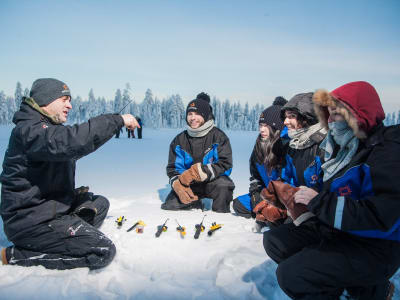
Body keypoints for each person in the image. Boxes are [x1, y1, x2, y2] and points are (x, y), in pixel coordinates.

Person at [263, 81, 399, 300]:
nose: (331, 120)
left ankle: (373, 289)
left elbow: (382, 216)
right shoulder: (342, 147)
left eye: (338, 113)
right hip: (340, 231)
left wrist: (320, 203)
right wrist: (297, 203)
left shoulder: (386, 153)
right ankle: (340, 288)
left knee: (292, 276)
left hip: (374, 247)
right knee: (276, 241)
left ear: (358, 113)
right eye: (329, 114)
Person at [0, 78, 139, 270]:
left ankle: (68, 234)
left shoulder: (46, 129)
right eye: (64, 99)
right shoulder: (29, 131)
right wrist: (117, 120)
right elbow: (72, 142)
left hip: (47, 208)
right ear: (46, 100)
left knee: (99, 204)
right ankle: (16, 255)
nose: (70, 105)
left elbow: (71, 146)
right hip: (30, 222)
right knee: (102, 251)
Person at [253, 92, 327, 226]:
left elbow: (328, 191)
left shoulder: (325, 147)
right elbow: (288, 180)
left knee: (277, 235)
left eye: (291, 116)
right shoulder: (294, 146)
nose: (285, 122)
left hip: (321, 214)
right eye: (285, 117)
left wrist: (287, 209)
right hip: (298, 208)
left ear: (307, 117)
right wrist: (277, 201)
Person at [162, 92, 234, 212]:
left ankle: (221, 217)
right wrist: (177, 184)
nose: (193, 118)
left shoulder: (218, 137)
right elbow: (173, 168)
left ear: (205, 116)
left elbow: (225, 165)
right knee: (171, 205)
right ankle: (194, 203)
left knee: (224, 186)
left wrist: (200, 172)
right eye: (190, 114)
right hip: (189, 185)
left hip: (212, 182)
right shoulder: (179, 140)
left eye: (197, 114)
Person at [232, 97, 288, 225]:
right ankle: (263, 213)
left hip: (282, 199)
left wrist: (272, 201)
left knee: (277, 219)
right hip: (265, 194)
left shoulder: (286, 147)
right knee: (239, 204)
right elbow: (255, 178)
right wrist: (257, 197)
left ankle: (270, 215)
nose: (261, 129)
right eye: (261, 125)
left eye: (266, 126)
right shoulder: (259, 146)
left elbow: (288, 183)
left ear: (276, 127)